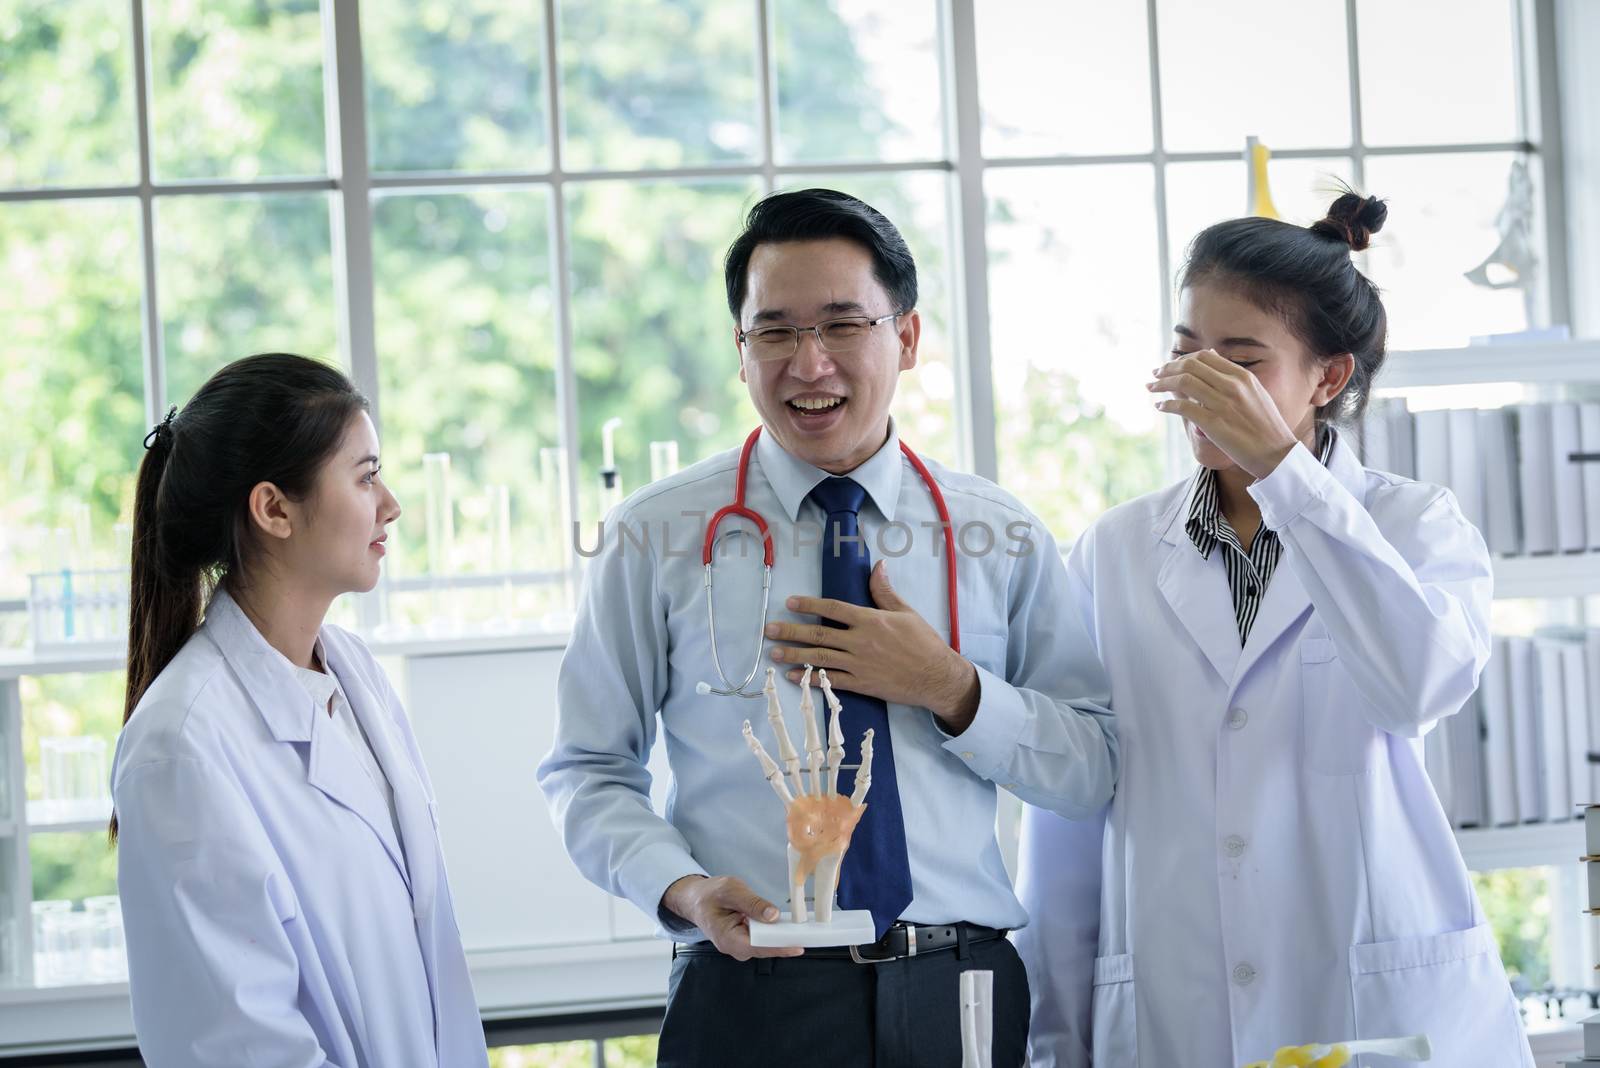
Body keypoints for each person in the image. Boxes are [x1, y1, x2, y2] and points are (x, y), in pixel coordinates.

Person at [537, 188, 1116, 1067]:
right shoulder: (656, 536)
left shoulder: (1001, 534)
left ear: (907, 339)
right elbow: (585, 770)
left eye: (842, 325)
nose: (809, 365)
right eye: (774, 332)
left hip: (956, 987)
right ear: (740, 353)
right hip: (750, 988)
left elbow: (1092, 770)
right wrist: (683, 890)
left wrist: (950, 689)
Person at [1015, 194, 1533, 1067]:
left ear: (1327, 379)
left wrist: (1286, 473)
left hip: (1368, 998)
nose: (1202, 386)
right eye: (1187, 354)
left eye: (1241, 362)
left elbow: (1417, 690)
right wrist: (1054, 1042)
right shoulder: (1113, 552)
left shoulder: (1414, 527)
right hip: (1172, 1009)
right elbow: (1065, 824)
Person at [111, 353, 490, 1068]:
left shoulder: (356, 676)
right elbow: (232, 1043)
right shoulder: (180, 745)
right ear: (274, 509)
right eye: (366, 475)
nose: (391, 504)